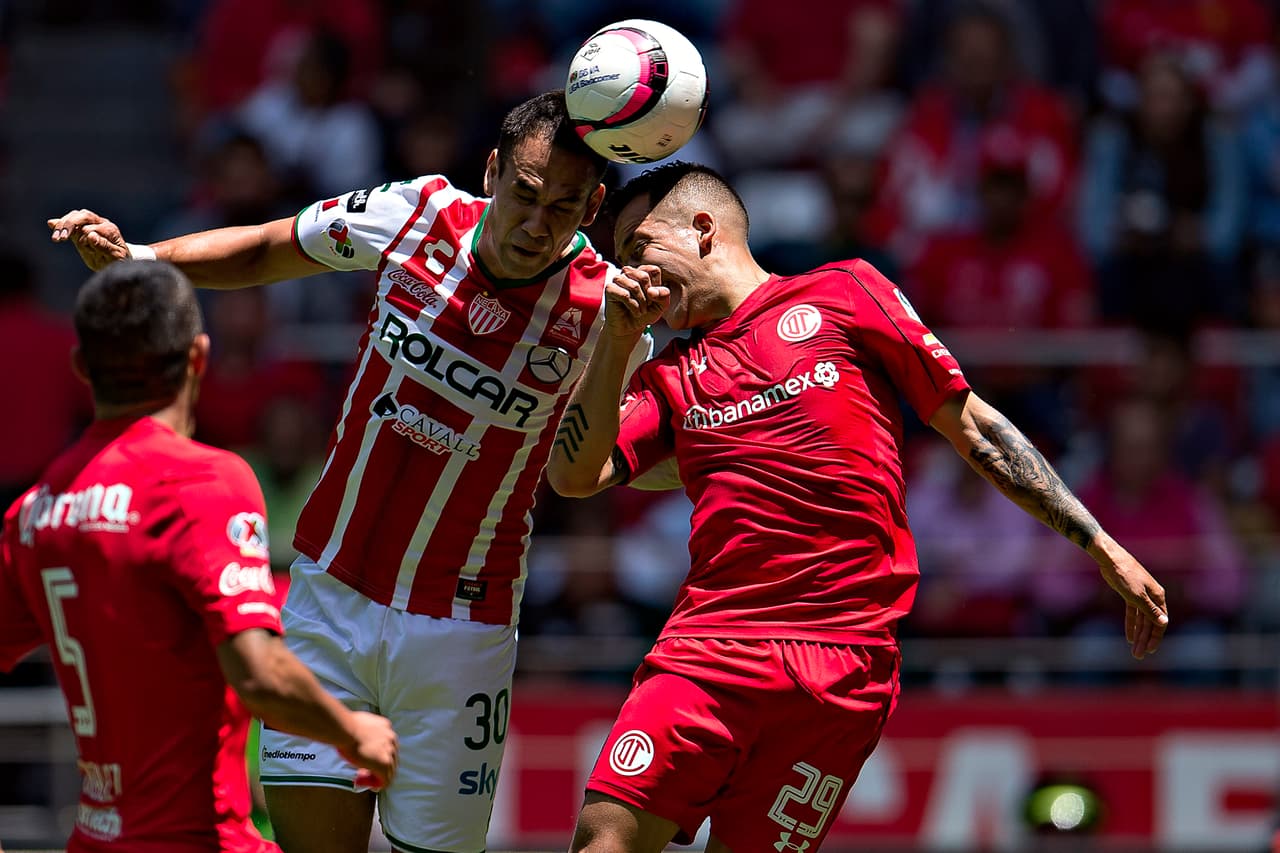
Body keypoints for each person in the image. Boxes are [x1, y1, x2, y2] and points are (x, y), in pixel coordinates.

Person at [47, 90, 666, 853]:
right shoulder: (415, 213)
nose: (537, 227)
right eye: (525, 196)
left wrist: (626, 357)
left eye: (565, 209)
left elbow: (608, 464)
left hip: (461, 630)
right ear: (493, 169)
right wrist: (139, 260)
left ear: (596, 204)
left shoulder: (606, 313)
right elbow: (269, 247)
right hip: (326, 601)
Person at [546, 162, 1169, 853]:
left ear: (701, 229)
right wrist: (615, 337)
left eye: (639, 248)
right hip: (710, 648)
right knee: (604, 841)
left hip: (845, 668)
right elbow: (574, 475)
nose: (636, 275)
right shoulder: (670, 377)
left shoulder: (844, 292)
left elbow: (975, 429)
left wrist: (1100, 543)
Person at [0, 260, 398, 853]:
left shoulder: (33, 512)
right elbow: (259, 673)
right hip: (198, 840)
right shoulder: (204, 482)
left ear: (83, 368)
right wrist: (354, 732)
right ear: (198, 358)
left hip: (93, 841)